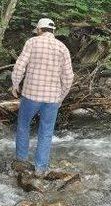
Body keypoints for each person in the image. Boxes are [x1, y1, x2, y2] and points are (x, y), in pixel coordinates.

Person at [10, 18, 74, 177]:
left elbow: (19, 66)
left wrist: (15, 84)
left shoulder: (32, 42)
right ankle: (40, 168)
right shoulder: (62, 48)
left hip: (31, 95)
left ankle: (21, 160)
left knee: (24, 126)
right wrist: (61, 97)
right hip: (52, 99)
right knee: (46, 132)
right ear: (53, 31)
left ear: (39, 30)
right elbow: (68, 77)